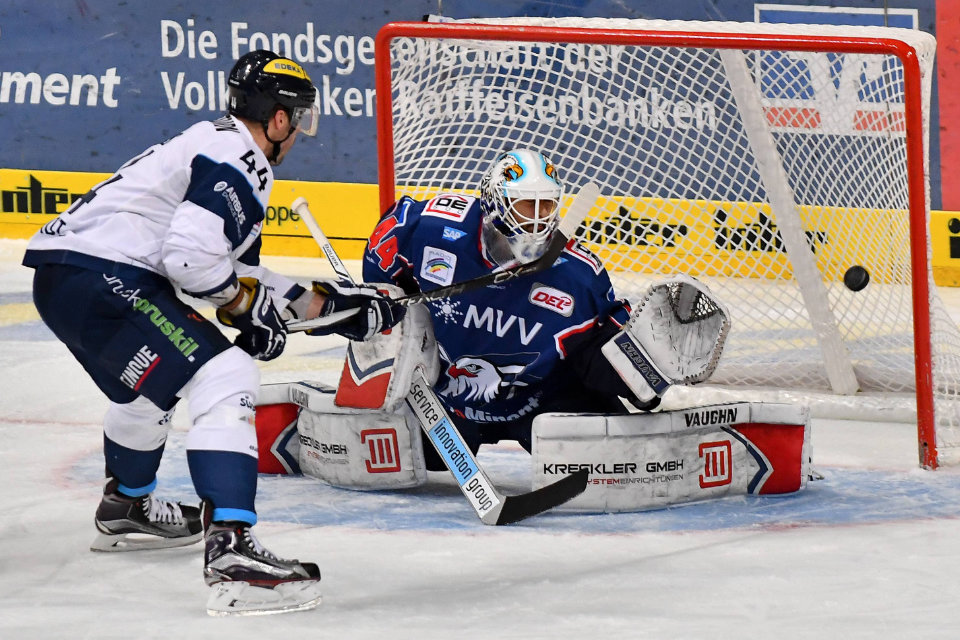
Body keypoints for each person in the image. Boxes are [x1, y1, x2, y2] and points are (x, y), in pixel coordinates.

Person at [22, 50, 403, 615]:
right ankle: (232, 546)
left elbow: (236, 272)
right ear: (278, 119)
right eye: (298, 118)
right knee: (224, 372)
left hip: (64, 278)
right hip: (106, 275)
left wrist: (329, 307)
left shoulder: (214, 140)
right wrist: (245, 308)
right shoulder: (242, 159)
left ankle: (125, 505)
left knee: (153, 387)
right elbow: (193, 264)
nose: (298, 131)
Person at [361, 148, 658, 471]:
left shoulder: (577, 275)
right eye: (526, 204)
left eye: (547, 204)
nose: (538, 218)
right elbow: (382, 258)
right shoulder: (434, 230)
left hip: (542, 403)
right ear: (495, 202)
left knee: (615, 463)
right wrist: (391, 311)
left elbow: (601, 351)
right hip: (445, 399)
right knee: (407, 459)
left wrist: (644, 374)